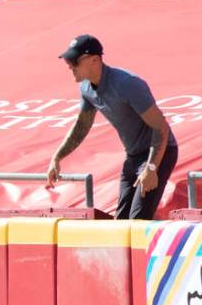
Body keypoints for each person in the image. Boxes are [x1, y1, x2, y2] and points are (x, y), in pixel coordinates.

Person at [47, 35, 178, 219]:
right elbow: (81, 126)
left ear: (94, 60)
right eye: (68, 61)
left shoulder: (127, 84)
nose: (69, 66)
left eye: (74, 61)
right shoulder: (86, 88)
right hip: (133, 156)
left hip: (158, 152)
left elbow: (161, 127)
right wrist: (57, 158)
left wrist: (152, 167)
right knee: (121, 222)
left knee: (137, 221)